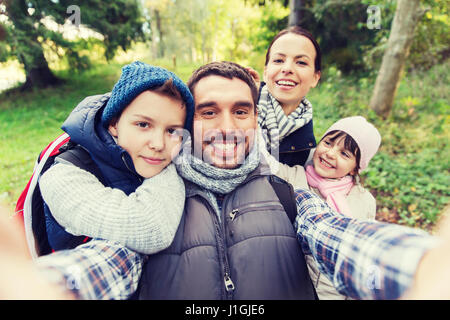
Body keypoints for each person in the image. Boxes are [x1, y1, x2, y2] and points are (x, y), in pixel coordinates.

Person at [8, 61, 447, 300]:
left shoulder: (286, 191)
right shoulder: (151, 198)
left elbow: (339, 237)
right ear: (186, 124)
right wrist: (54, 286)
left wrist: (417, 269)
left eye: (241, 110)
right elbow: (109, 259)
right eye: (207, 111)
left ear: (256, 119)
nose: (227, 125)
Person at [38, 61, 195, 256]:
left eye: (172, 131)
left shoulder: (157, 155)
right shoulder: (63, 177)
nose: (159, 144)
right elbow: (150, 229)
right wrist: (172, 165)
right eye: (143, 125)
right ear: (114, 124)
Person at [265, 116, 381, 299]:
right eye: (327, 143)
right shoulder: (294, 177)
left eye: (345, 154)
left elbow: (365, 257)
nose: (330, 153)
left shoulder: (363, 201)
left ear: (355, 168)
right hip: (293, 290)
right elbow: (264, 162)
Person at [255, 26, 321, 166]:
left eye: (301, 62)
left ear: (315, 77)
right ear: (266, 72)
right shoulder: (236, 106)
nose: (287, 69)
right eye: (278, 60)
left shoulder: (310, 151)